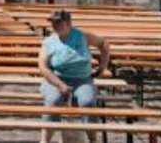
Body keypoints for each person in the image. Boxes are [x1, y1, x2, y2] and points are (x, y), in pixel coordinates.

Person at [36, 10, 111, 143]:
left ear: (69, 23)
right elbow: (43, 68)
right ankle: (44, 140)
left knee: (87, 101)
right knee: (53, 101)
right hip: (56, 79)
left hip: (82, 79)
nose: (55, 25)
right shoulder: (49, 42)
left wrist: (102, 67)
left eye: (59, 22)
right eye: (53, 22)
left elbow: (103, 44)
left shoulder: (82, 35)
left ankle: (93, 139)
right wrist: (59, 84)